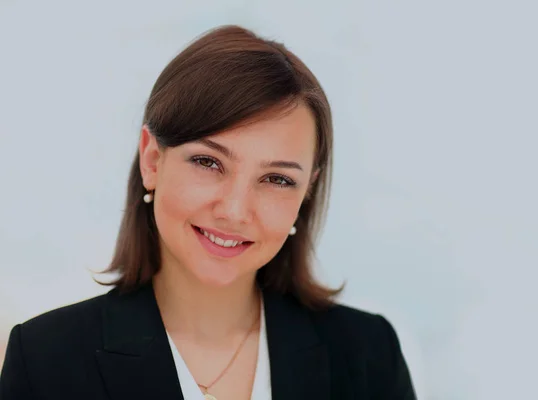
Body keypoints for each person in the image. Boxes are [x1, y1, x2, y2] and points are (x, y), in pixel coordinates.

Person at [0, 25, 416, 400]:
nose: (235, 211)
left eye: (277, 179)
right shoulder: (45, 360)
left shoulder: (368, 354)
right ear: (152, 160)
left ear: (307, 191)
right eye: (208, 162)